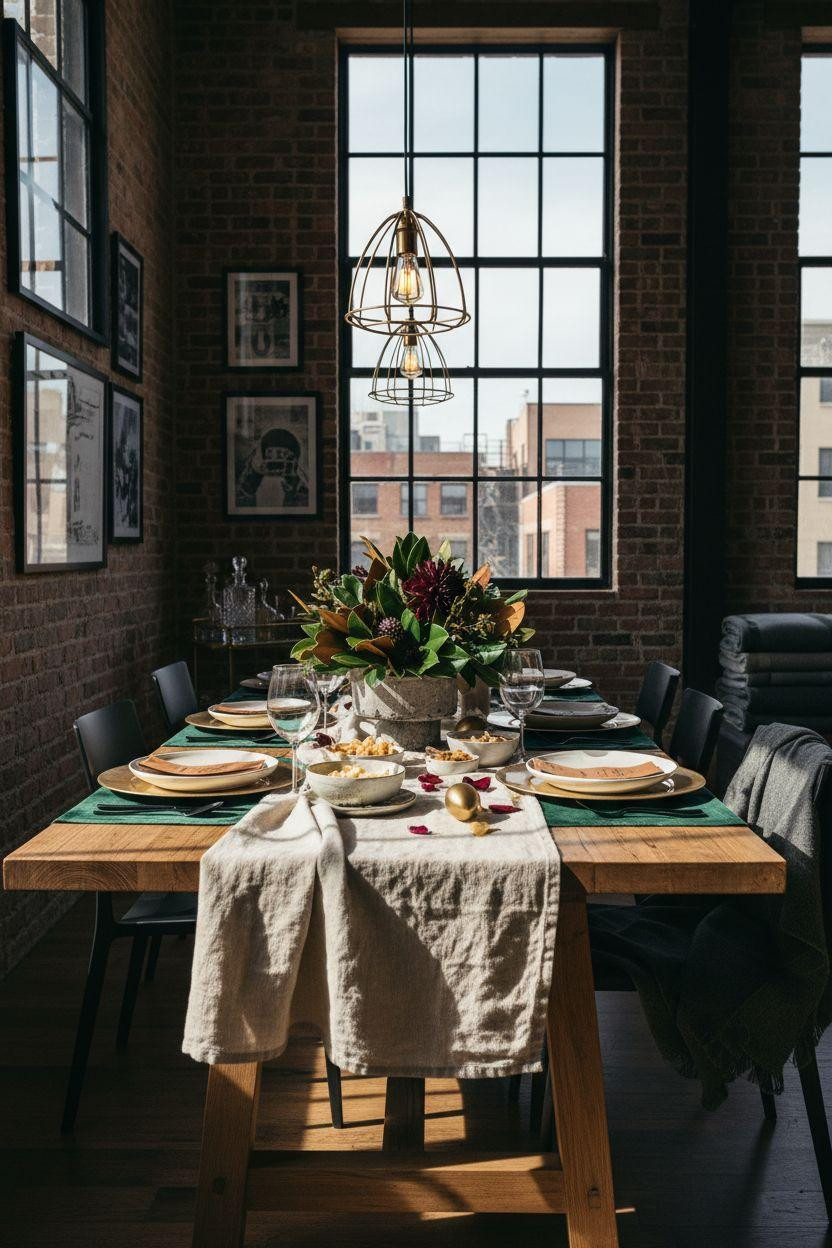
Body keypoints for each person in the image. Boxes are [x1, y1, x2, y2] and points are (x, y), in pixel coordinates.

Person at [236, 427, 309, 508]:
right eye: (270, 454)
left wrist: (293, 484)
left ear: (293, 458)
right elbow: (240, 502)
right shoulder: (253, 481)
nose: (275, 459)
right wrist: (254, 479)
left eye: (281, 454)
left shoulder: (299, 488)